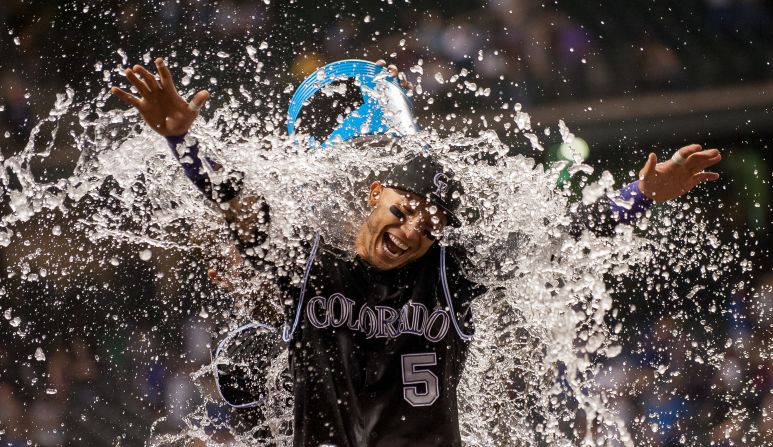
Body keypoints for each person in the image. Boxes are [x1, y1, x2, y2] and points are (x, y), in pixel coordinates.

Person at [111, 57, 721, 446]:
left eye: (427, 228)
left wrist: (641, 193)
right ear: (375, 193)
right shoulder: (310, 263)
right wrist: (183, 141)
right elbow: (238, 201)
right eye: (402, 213)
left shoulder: (455, 272)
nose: (409, 233)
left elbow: (560, 239)